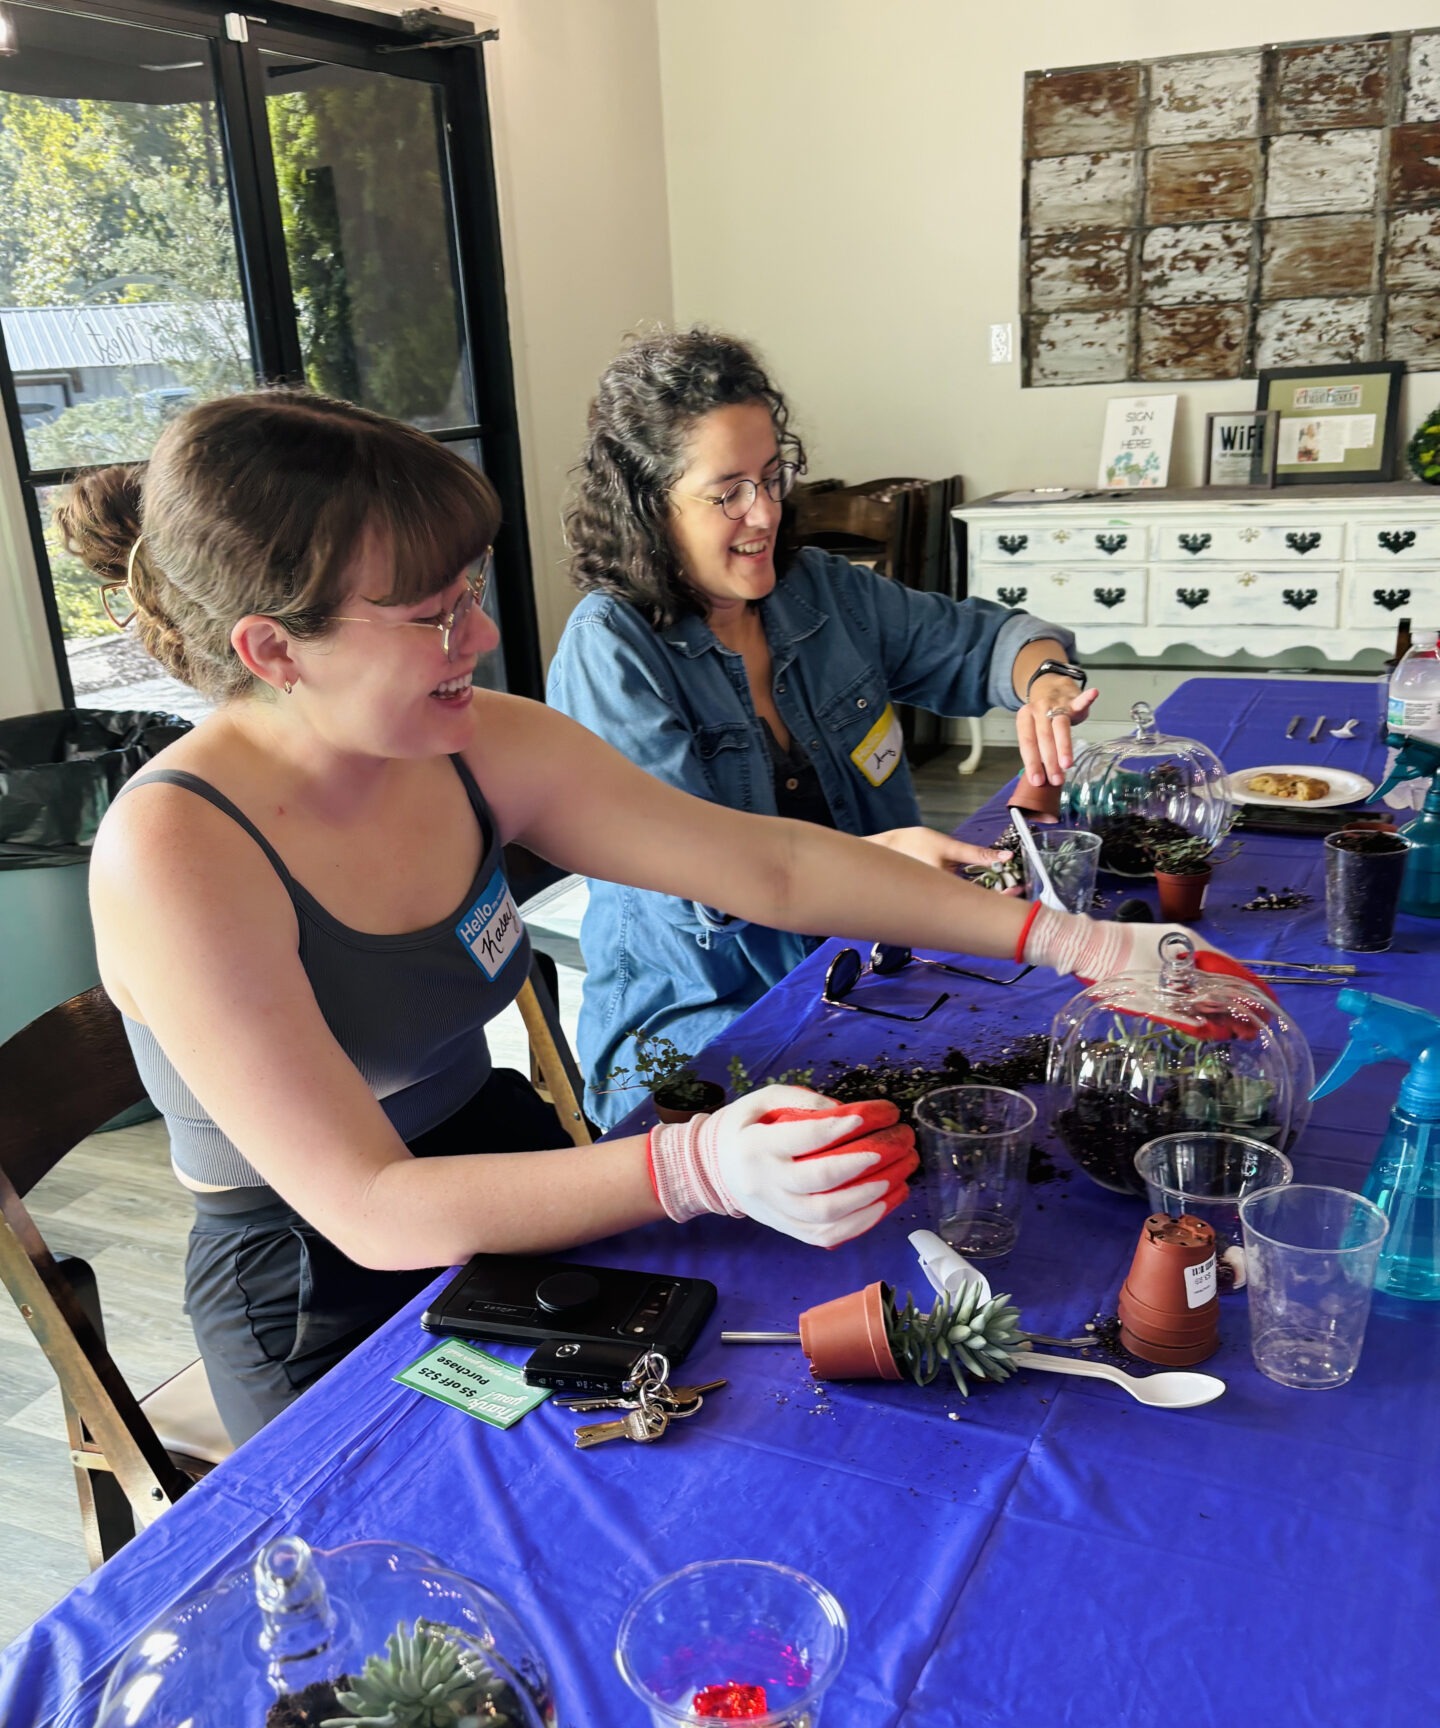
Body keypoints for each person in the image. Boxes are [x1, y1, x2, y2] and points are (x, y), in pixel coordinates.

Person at [60, 388, 1219, 1443]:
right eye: (430, 615)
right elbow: (368, 1208)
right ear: (274, 650)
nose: (483, 635)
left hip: (499, 1157)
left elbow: (762, 870)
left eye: (470, 591)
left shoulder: (474, 742)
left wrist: (1071, 940)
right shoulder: (178, 854)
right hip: (316, 1272)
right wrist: (694, 1166)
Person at [548, 328, 1098, 1127]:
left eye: (774, 477)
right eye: (727, 491)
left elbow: (991, 642)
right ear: (647, 506)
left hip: (868, 983)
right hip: (696, 1040)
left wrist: (1045, 681)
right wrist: (883, 867)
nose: (765, 513)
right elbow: (702, 889)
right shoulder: (612, 653)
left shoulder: (823, 595)